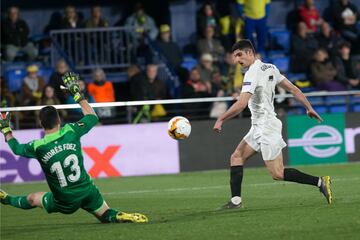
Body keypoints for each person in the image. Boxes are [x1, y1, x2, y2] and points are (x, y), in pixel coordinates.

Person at [0, 72, 148, 223]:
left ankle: (6, 199)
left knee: (32, 199)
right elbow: (92, 117)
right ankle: (117, 215)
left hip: (65, 199)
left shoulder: (38, 146)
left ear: (41, 124)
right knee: (105, 214)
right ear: (59, 120)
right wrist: (77, 93)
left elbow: (16, 149)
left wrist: (6, 130)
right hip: (87, 190)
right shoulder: (71, 131)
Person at [213, 40, 332, 209]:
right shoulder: (270, 67)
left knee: (277, 173)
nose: (236, 60)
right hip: (259, 126)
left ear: (250, 53)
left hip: (266, 126)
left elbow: (241, 104)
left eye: (239, 55)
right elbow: (294, 89)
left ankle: (320, 182)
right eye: (234, 56)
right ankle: (236, 201)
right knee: (236, 157)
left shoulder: (251, 73)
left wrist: (221, 119)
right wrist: (309, 107)